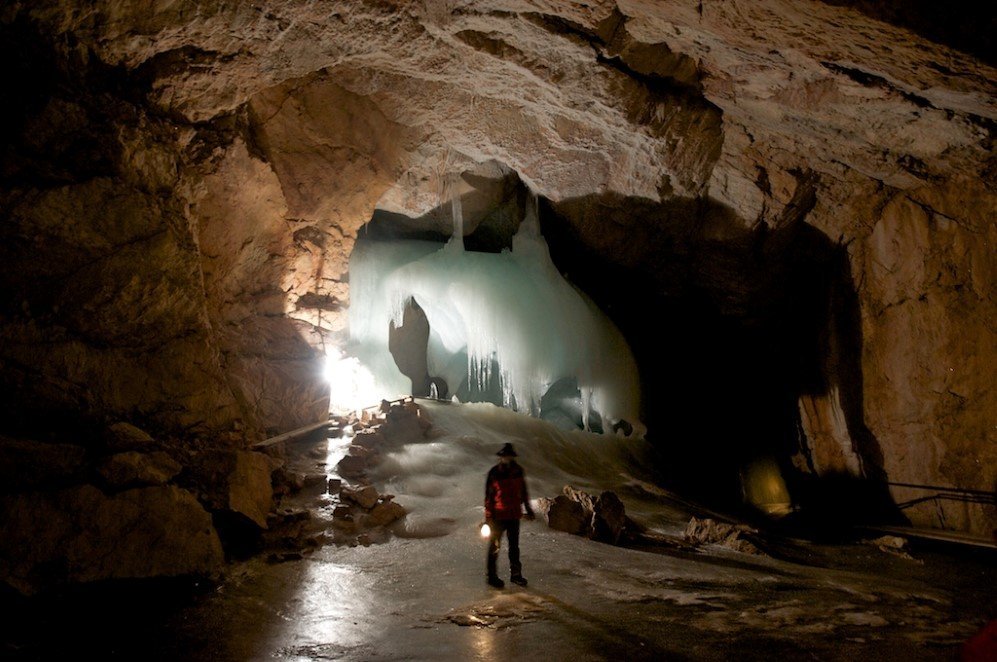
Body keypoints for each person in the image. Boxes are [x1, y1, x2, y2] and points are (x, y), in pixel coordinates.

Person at [484, 442, 535, 588]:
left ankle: (516, 575)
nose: (507, 458)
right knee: (494, 546)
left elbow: (524, 492)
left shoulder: (518, 471)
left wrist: (528, 508)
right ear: (501, 457)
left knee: (514, 547)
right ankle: (492, 576)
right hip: (498, 516)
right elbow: (489, 498)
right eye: (505, 456)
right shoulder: (494, 473)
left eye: (509, 456)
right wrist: (488, 518)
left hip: (513, 515)